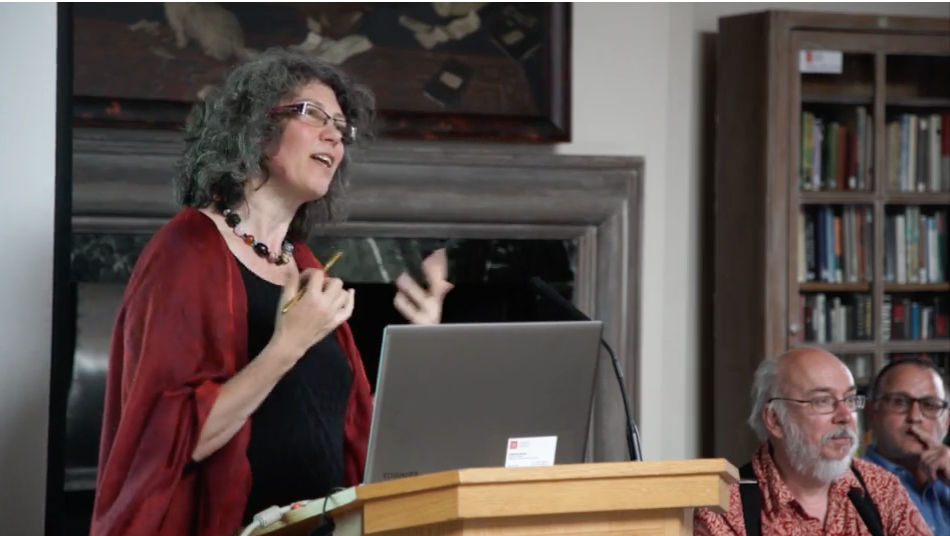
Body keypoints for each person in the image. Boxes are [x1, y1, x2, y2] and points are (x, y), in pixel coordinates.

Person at [89, 48, 454, 536]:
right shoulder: (186, 249)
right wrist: (287, 344)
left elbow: (350, 430)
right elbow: (168, 443)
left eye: (340, 126)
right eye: (313, 114)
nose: (334, 135)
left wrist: (423, 349)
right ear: (257, 126)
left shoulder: (303, 263)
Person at [694, 347, 933, 536]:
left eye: (850, 399)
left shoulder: (882, 489)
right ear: (775, 420)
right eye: (822, 401)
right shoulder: (723, 507)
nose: (845, 416)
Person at [863, 357, 950, 534]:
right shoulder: (850, 487)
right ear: (871, 414)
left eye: (929, 405)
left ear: (947, 420)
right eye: (899, 402)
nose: (914, 417)